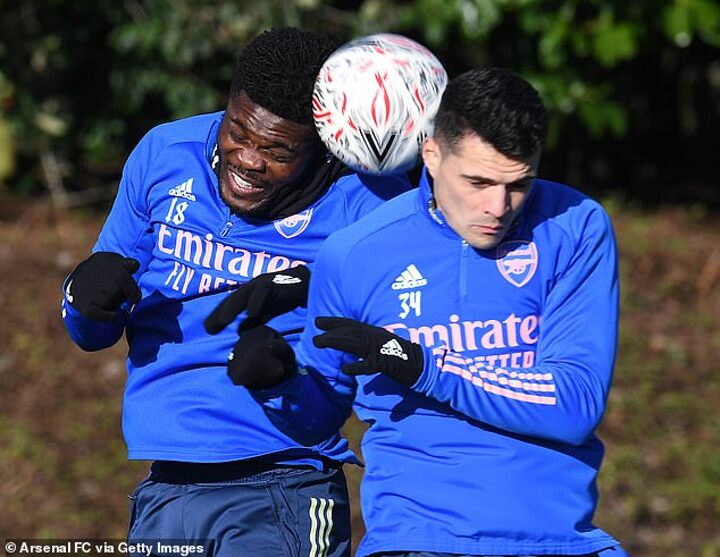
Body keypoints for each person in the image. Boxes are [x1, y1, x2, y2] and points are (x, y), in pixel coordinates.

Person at [230, 68, 629, 556]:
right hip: (416, 541)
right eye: (478, 181)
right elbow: (319, 417)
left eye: (519, 184)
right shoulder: (354, 253)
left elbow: (573, 405)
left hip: (562, 543)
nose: (498, 206)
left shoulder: (574, 226)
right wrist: (277, 385)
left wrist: (424, 367)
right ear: (432, 154)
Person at [61, 27, 410, 556]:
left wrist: (282, 377)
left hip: (284, 484)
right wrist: (82, 299)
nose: (248, 159)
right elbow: (93, 331)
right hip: (165, 484)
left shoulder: (370, 205)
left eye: (277, 150)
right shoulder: (164, 153)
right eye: (238, 132)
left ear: (324, 148)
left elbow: (390, 358)